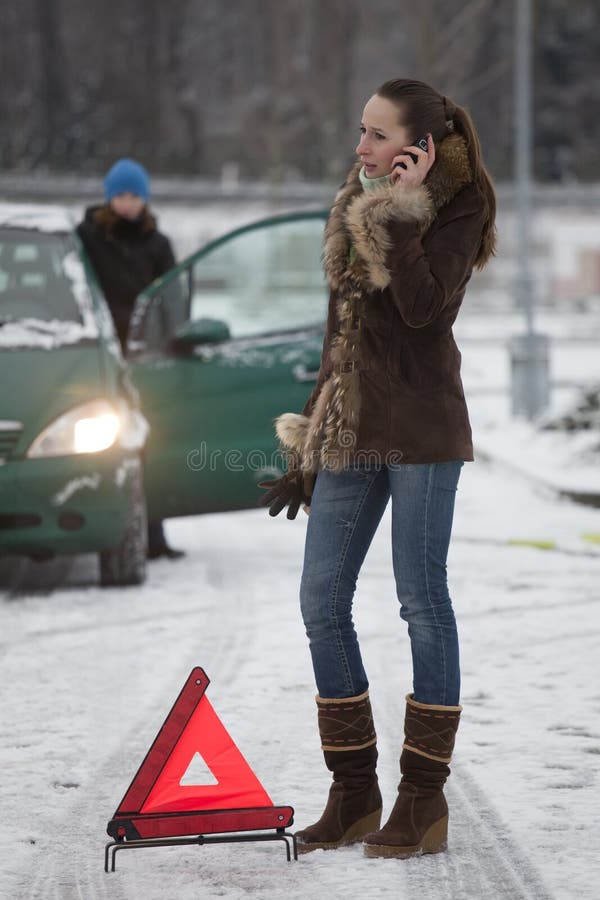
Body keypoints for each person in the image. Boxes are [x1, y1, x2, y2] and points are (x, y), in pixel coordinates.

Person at [259, 79, 496, 858]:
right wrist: (312, 436)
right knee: (320, 599)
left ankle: (422, 800)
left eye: (374, 134)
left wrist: (399, 213)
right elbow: (344, 333)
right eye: (360, 131)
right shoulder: (354, 195)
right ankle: (353, 792)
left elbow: (425, 310)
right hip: (354, 429)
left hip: (423, 431)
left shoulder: (460, 205)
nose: (359, 147)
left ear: (417, 149)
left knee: (421, 602)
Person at [77, 158, 184, 561]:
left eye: (134, 196)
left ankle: (154, 535)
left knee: (152, 445)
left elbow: (173, 302)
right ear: (110, 197)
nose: (127, 203)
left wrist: (173, 341)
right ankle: (107, 531)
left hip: (148, 360)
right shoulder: (88, 238)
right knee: (106, 446)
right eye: (121, 196)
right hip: (101, 359)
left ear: (144, 199)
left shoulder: (158, 244)